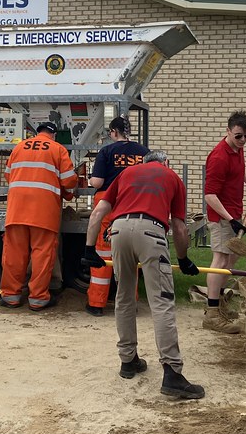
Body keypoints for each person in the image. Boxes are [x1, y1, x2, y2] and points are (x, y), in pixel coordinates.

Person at [82, 149, 204, 399]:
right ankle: (172, 373)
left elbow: (97, 213)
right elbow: (179, 227)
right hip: (151, 232)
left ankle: (128, 360)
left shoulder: (127, 174)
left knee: (124, 297)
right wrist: (183, 258)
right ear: (165, 163)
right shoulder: (171, 177)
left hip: (118, 231)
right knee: (161, 302)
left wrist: (89, 248)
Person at [0, 121, 77, 311]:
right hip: (43, 211)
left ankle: (10, 296)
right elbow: (69, 180)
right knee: (42, 254)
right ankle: (38, 299)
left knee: (14, 254)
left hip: (17, 210)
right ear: (54, 134)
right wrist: (67, 193)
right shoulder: (57, 149)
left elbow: (8, 175)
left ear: (36, 132)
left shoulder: (19, 146)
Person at [202, 110, 246, 333]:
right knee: (219, 261)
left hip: (234, 213)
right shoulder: (219, 157)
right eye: (238, 136)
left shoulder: (237, 150)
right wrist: (230, 220)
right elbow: (209, 195)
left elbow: (239, 170)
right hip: (221, 217)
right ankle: (211, 313)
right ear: (228, 130)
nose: (243, 140)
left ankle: (218, 302)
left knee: (231, 260)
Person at [84, 116, 150, 317]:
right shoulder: (143, 152)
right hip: (136, 202)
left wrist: (89, 178)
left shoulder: (107, 151)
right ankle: (130, 305)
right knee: (129, 255)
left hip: (109, 202)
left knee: (104, 253)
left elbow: (97, 182)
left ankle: (96, 304)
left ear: (113, 131)